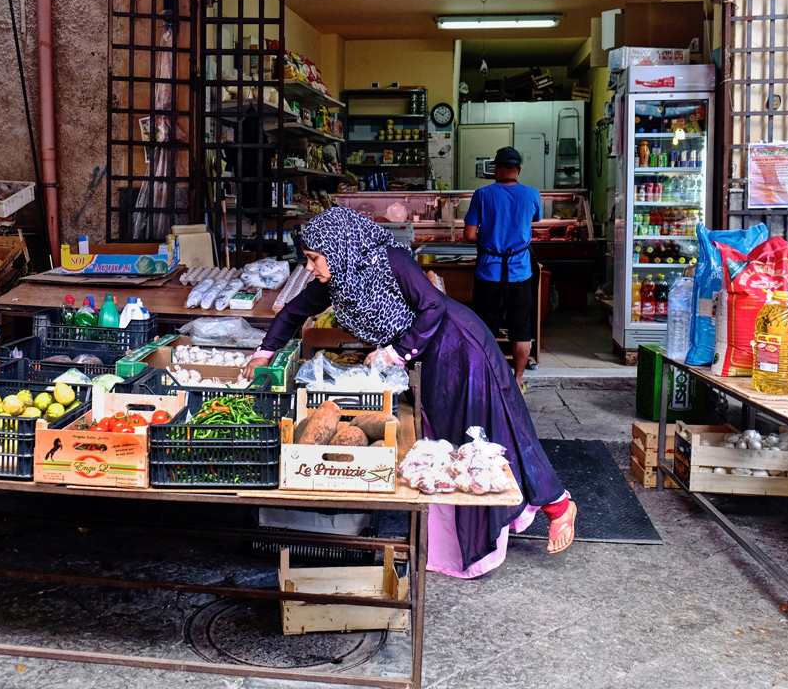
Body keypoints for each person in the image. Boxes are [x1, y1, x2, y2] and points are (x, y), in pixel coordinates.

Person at [244, 207, 576, 577]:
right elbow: (293, 312)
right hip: (428, 359)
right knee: (444, 445)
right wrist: (263, 353)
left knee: (493, 431)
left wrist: (395, 352)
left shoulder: (389, 261)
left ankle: (558, 506)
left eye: (312, 258)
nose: (309, 267)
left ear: (337, 248)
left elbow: (432, 305)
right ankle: (456, 542)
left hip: (460, 347)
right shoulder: (339, 278)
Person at [463, 146, 540, 391]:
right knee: (521, 329)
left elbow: (468, 234)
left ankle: (490, 379)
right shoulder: (531, 194)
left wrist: (489, 235)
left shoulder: (482, 194)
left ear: (496, 169)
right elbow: (534, 220)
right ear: (518, 169)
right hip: (520, 272)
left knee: (485, 328)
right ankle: (517, 380)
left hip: (489, 271)